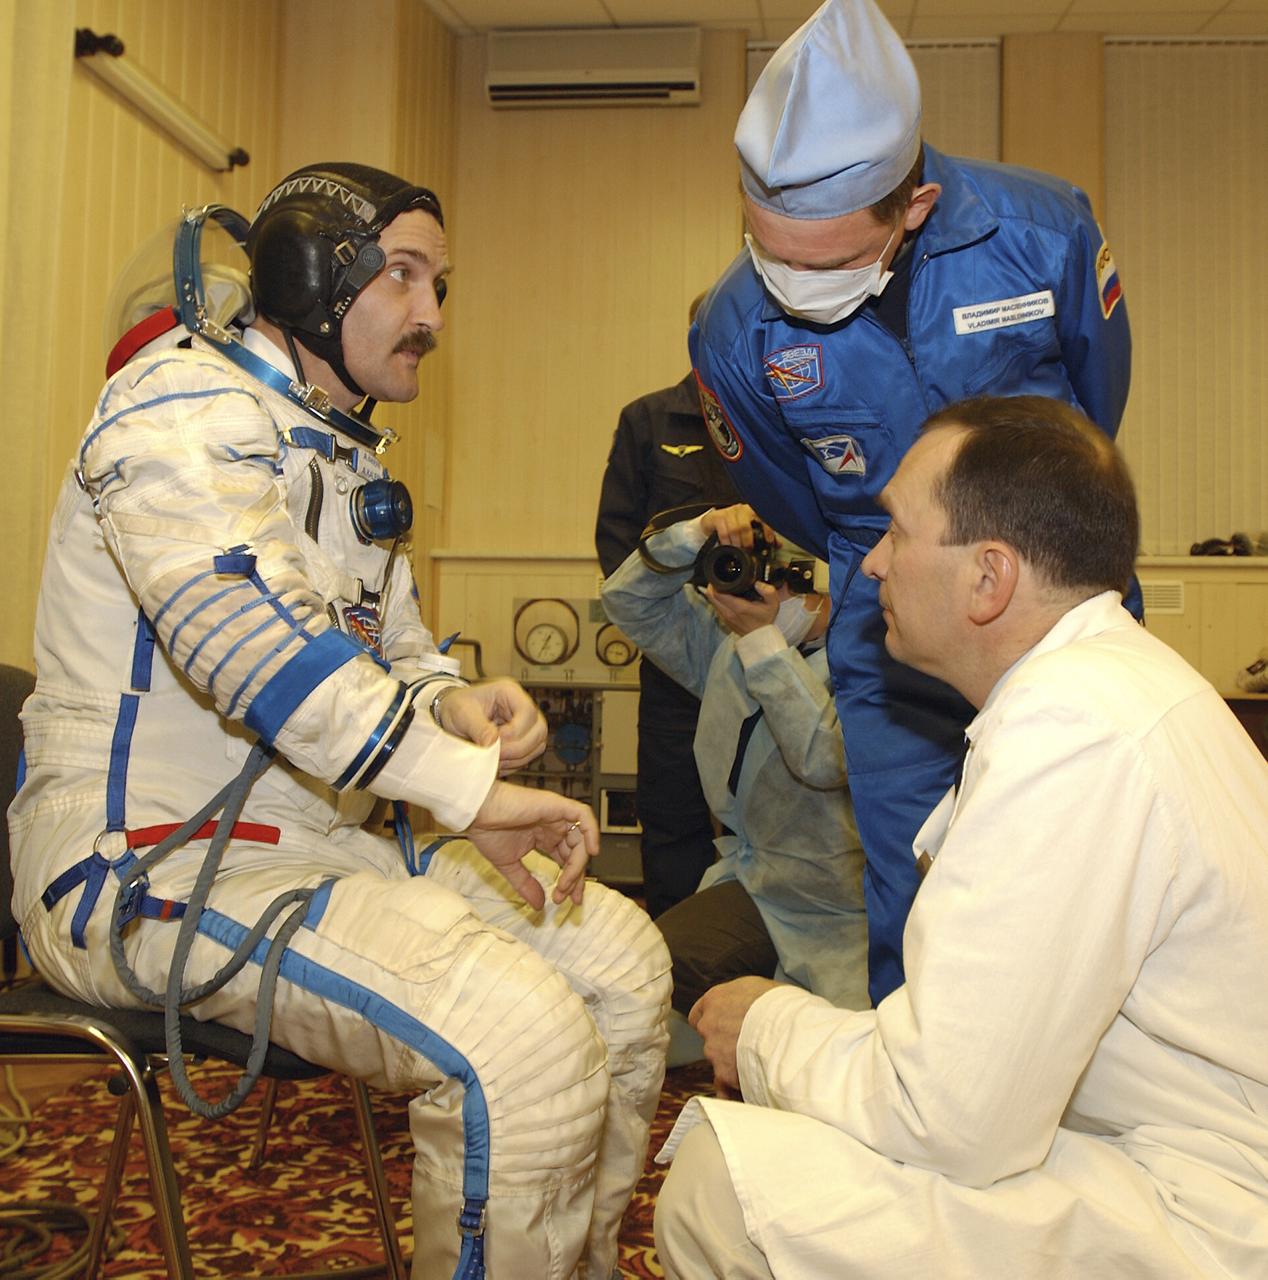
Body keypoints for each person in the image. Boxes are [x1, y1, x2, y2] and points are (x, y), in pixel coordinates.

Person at [8, 163, 671, 1280]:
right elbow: (260, 652)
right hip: (143, 859)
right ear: (313, 275)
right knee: (512, 1035)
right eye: (404, 277)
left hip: (310, 840)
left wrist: (453, 706)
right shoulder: (175, 411)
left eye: (441, 286)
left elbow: (381, 653)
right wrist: (467, 791)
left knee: (621, 965)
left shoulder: (330, 442)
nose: (433, 317)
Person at [653, 395, 1268, 1280]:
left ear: (990, 577)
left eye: (898, 533)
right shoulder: (1106, 684)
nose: (869, 569)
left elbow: (947, 1115)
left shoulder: (1070, 726)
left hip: (1208, 1211)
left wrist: (764, 1026)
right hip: (1171, 1159)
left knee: (728, 1184)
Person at [691, 0, 1133, 1005]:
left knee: (1090, 878)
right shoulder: (732, 328)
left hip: (1057, 596)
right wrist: (898, 554)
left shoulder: (1040, 233)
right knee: (911, 893)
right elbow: (780, 487)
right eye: (770, 251)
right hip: (883, 623)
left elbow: (1092, 413)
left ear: (913, 206)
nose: (789, 282)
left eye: (824, 259)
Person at [600, 502, 868, 1014]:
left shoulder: (870, 664)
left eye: (779, 579)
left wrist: (766, 643)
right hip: (754, 882)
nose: (758, 591)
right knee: (656, 970)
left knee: (836, 1057)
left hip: (837, 910)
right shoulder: (727, 646)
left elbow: (823, 759)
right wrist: (695, 532)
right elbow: (626, 600)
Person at [595, 297, 739, 918]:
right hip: (678, 669)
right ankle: (676, 973)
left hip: (771, 659)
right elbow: (616, 544)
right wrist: (683, 630)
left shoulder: (780, 423)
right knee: (674, 825)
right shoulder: (649, 420)